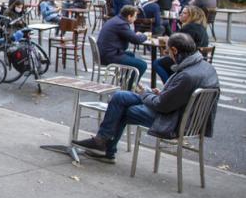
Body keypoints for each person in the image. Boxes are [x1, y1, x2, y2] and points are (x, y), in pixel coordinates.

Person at [73, 33, 219, 163]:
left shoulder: (187, 75)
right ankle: (102, 143)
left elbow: (162, 105)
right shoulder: (206, 67)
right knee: (120, 97)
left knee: (123, 110)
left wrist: (146, 94)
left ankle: (105, 147)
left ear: (175, 50)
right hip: (180, 112)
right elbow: (178, 97)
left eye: (168, 52)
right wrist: (159, 93)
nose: (167, 55)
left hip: (174, 121)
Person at [153, 6, 209, 83]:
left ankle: (170, 86)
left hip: (187, 60)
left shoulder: (189, 28)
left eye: (184, 13)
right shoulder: (201, 28)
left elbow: (178, 45)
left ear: (192, 16)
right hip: (199, 61)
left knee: (157, 63)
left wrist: (167, 41)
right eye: (181, 12)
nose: (181, 14)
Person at [97, 5, 148, 78]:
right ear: (129, 16)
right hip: (109, 56)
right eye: (135, 17)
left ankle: (125, 82)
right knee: (142, 65)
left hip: (104, 53)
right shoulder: (121, 24)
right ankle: (130, 87)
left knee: (131, 55)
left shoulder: (116, 20)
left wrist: (135, 35)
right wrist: (145, 35)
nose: (135, 19)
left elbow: (130, 35)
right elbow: (137, 40)